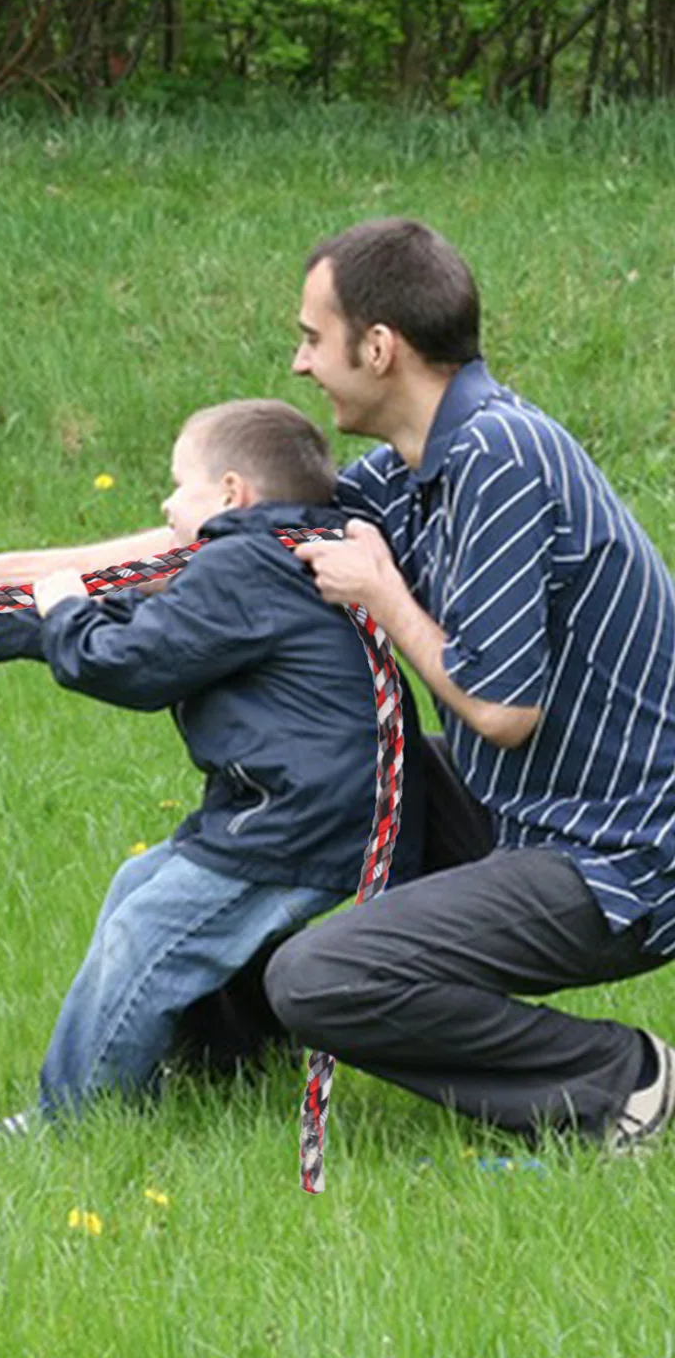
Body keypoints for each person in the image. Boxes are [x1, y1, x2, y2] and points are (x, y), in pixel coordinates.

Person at [0, 399, 425, 1123]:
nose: (165, 504)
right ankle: (229, 1061)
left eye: (178, 484)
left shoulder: (243, 568)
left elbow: (129, 662)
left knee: (151, 931)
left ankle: (76, 1121)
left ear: (231, 494)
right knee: (146, 884)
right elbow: (153, 625)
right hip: (327, 804)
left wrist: (64, 608)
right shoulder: (275, 556)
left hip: (306, 816)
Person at [266, 216, 675, 1152]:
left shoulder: (499, 458)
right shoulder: (428, 463)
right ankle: (220, 1057)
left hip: (618, 852)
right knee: (319, 775)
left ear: (379, 348)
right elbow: (241, 528)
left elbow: (504, 710)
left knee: (318, 979)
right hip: (532, 810)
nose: (299, 364)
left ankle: (625, 1080)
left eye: (310, 337)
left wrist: (384, 596)